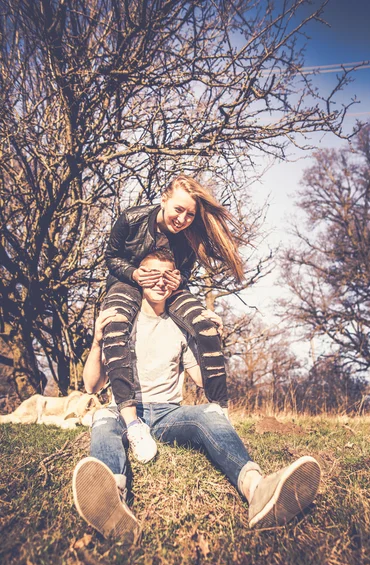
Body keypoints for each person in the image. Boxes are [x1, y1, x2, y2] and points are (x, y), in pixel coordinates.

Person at [72, 249, 321, 542]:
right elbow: (92, 385)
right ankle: (112, 500)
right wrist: (97, 340)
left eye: (168, 275)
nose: (160, 281)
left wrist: (213, 342)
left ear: (176, 281)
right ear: (139, 277)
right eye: (153, 273)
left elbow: (203, 380)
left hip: (167, 414)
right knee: (102, 417)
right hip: (124, 414)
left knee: (208, 413)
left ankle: (257, 489)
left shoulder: (180, 326)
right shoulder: (121, 322)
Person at [101, 174, 244, 463]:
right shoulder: (132, 219)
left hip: (168, 285)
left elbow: (185, 276)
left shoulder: (188, 239)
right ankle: (132, 424)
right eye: (179, 209)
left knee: (205, 324)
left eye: (190, 214)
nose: (183, 218)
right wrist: (134, 274)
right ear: (164, 199)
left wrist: (196, 304)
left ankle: (220, 411)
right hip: (126, 281)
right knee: (115, 327)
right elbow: (111, 256)